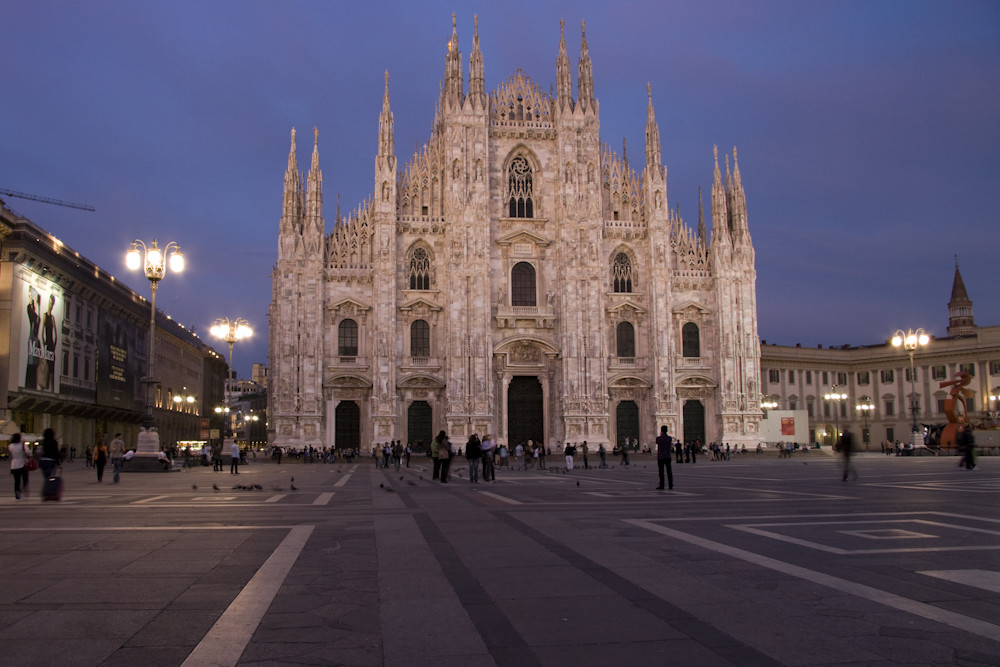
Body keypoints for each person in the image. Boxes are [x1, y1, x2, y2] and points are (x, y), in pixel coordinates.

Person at [9, 433, 31, 500]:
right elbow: (28, 453)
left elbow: (10, 455)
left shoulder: (10, 446)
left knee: (17, 480)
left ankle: (17, 492)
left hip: (14, 464)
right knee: (25, 478)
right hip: (23, 463)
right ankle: (24, 488)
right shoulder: (22, 445)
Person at [655, 425, 674, 490]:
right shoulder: (669, 438)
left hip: (661, 457)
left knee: (661, 472)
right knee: (669, 471)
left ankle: (662, 485)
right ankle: (670, 485)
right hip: (668, 456)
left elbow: (657, 442)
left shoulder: (658, 438)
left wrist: (661, 435)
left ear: (661, 431)